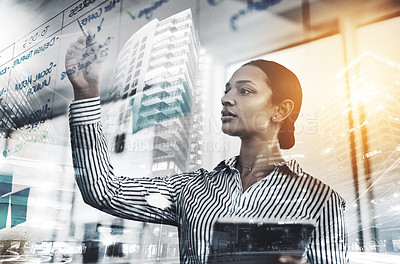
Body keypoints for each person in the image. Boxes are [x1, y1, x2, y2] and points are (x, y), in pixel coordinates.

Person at [66, 33, 349, 264]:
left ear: (281, 110)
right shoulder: (192, 189)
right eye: (227, 89)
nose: (226, 98)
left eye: (245, 90)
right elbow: (103, 190)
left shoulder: (322, 203)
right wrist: (86, 94)